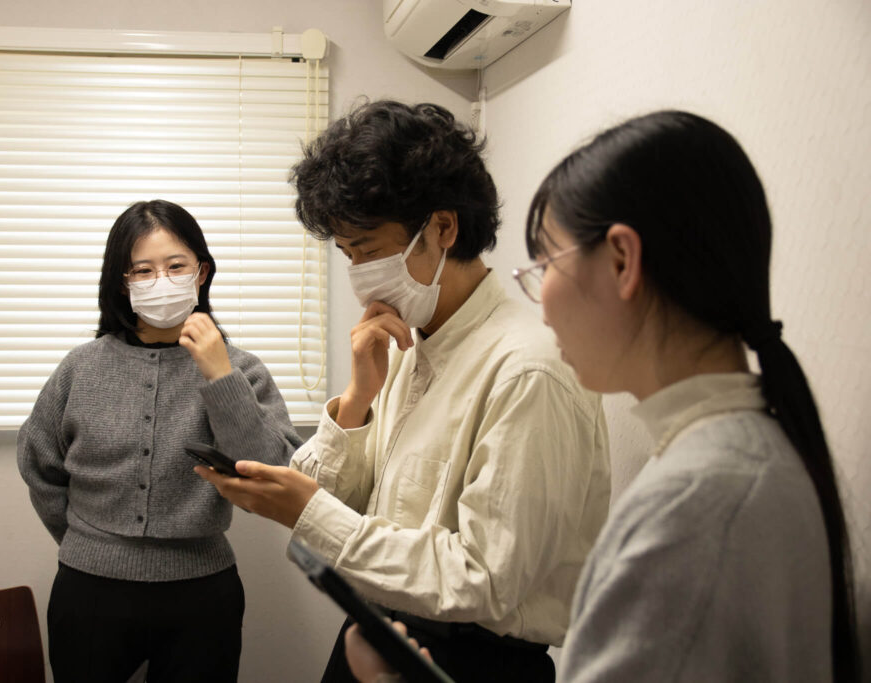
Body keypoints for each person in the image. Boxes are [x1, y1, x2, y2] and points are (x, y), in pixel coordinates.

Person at [345, 110, 861, 682]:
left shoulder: (694, 499)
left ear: (622, 262)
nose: (540, 301)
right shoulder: (735, 458)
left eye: (547, 264)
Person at [195, 100, 611, 683]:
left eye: (368, 249)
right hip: (379, 627)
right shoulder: (409, 344)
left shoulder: (528, 368)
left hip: (472, 660)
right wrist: (359, 396)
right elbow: (349, 497)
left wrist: (308, 512)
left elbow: (485, 579)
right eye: (346, 255)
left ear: (443, 227)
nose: (359, 271)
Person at [17, 199, 301, 683]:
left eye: (175, 266)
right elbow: (39, 463)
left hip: (202, 593)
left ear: (202, 273)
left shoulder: (242, 368)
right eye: (142, 271)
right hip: (88, 590)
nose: (160, 281)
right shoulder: (81, 367)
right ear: (121, 282)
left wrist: (219, 375)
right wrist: (87, 544)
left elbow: (274, 472)